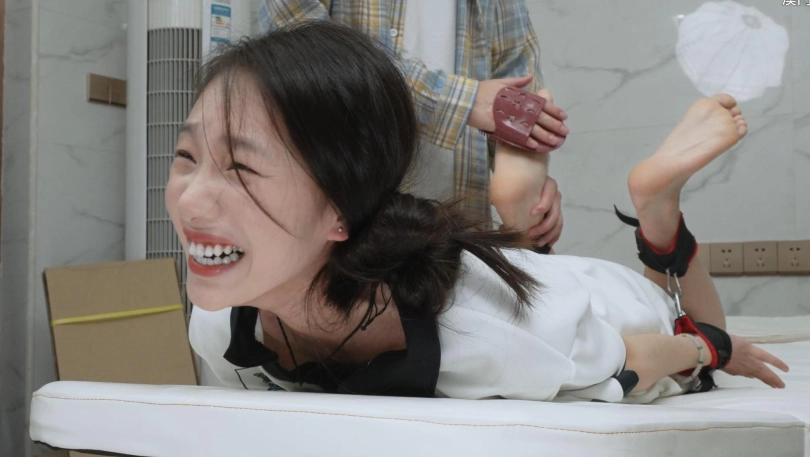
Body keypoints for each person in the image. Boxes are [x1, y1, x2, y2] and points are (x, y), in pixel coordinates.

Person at [172, 23, 788, 403]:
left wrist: (709, 349)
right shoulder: (219, 324)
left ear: (342, 212)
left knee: (684, 316)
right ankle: (518, 216)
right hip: (498, 282)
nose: (190, 200)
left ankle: (658, 209)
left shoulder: (487, 340)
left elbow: (633, 361)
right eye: (186, 156)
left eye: (241, 169)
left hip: (599, 305)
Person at [258, 0, 567, 252]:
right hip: (344, 225)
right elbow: (302, 55)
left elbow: (520, 92)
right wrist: (464, 101)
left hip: (460, 238)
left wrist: (531, 190)